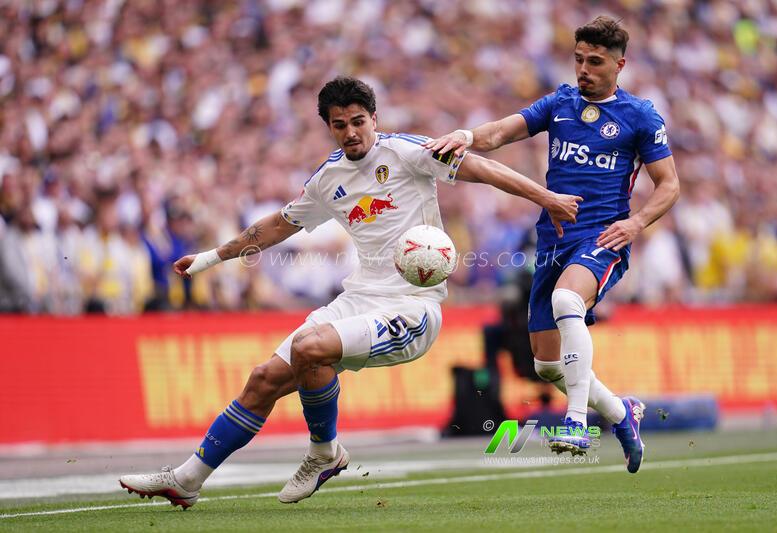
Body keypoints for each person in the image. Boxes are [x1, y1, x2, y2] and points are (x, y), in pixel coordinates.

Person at [119, 76, 582, 508]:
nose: (350, 132)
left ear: (374, 120)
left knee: (309, 346)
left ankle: (324, 451)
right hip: (359, 300)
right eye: (339, 125)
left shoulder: (408, 152)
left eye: (359, 122)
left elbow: (481, 169)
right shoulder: (328, 180)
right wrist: (209, 258)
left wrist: (547, 198)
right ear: (329, 127)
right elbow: (278, 225)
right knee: (264, 379)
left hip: (414, 308)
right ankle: (188, 480)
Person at [425, 16, 680, 473]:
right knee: (547, 366)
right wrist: (465, 136)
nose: (583, 68)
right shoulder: (560, 103)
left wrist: (637, 223)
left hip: (602, 236)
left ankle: (577, 424)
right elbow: (501, 132)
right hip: (552, 240)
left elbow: (669, 185)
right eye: (579, 58)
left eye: (595, 61)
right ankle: (624, 415)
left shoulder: (640, 116)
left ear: (619, 64)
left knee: (567, 300)